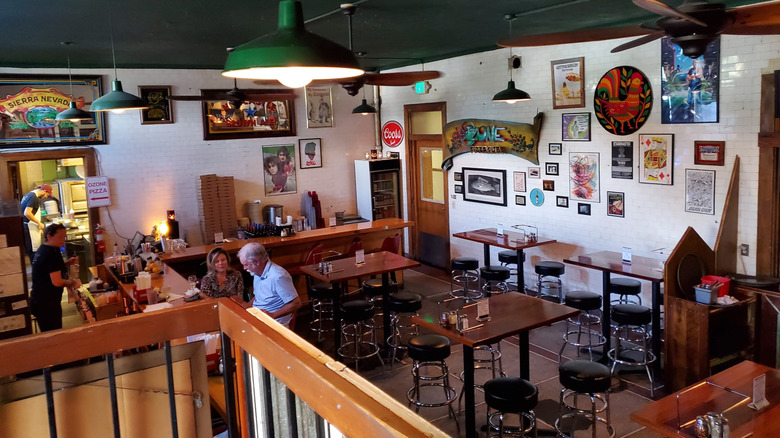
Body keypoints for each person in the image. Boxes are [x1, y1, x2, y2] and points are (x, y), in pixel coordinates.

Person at [30, 223, 81, 332]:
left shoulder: (45, 249)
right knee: (53, 335)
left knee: (51, 332)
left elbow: (50, 269)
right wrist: (72, 282)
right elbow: (57, 282)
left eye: (65, 236)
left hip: (39, 299)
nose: (63, 240)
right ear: (49, 236)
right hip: (46, 303)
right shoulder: (50, 253)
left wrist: (66, 263)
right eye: (60, 237)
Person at [237, 242, 301, 327]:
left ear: (256, 262)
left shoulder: (278, 276)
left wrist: (273, 315)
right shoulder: (256, 272)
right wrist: (247, 305)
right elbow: (260, 296)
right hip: (258, 316)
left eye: (246, 265)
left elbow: (296, 303)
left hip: (274, 323)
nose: (244, 268)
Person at [20, 184, 52, 261]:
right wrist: (38, 223)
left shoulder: (28, 195)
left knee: (33, 251)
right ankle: (36, 270)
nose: (46, 197)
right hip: (30, 228)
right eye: (47, 194)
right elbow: (27, 213)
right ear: (44, 191)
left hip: (28, 227)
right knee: (34, 252)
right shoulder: (34, 198)